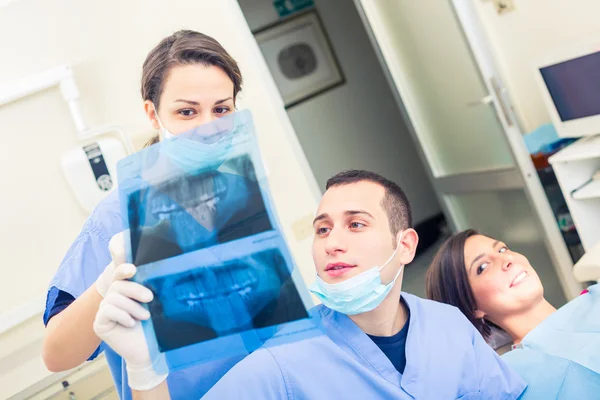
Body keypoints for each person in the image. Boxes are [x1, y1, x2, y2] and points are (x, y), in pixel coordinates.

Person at [95, 170, 527, 399]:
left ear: (406, 244)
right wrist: (143, 369)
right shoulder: (283, 360)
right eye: (322, 231)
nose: (333, 243)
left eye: (356, 225)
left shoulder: (448, 327)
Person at [42, 30, 249, 399]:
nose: (208, 127)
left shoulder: (241, 196)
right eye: (187, 111)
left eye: (221, 109)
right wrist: (107, 286)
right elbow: (56, 355)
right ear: (153, 114)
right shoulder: (117, 216)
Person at [425, 229, 600, 399]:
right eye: (483, 267)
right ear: (472, 307)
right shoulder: (510, 381)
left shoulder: (592, 299)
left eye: (502, 249)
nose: (507, 259)